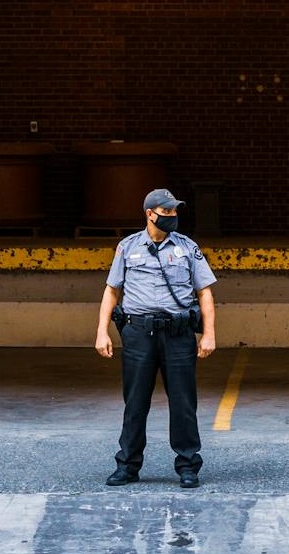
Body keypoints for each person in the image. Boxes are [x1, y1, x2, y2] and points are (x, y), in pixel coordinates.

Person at [95, 188, 217, 489]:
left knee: (183, 403)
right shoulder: (128, 247)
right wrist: (101, 331)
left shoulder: (188, 247)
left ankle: (188, 466)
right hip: (138, 334)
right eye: (167, 213)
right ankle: (127, 466)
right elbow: (112, 290)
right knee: (135, 403)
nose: (173, 217)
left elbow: (205, 292)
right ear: (150, 214)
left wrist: (209, 334)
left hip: (178, 334)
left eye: (175, 212)